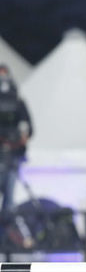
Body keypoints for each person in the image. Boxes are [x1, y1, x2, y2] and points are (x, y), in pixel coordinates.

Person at [0, 65, 32, 214]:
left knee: (9, 202)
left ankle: (6, 232)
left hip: (12, 158)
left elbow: (29, 127)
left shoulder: (18, 103)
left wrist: (22, 137)